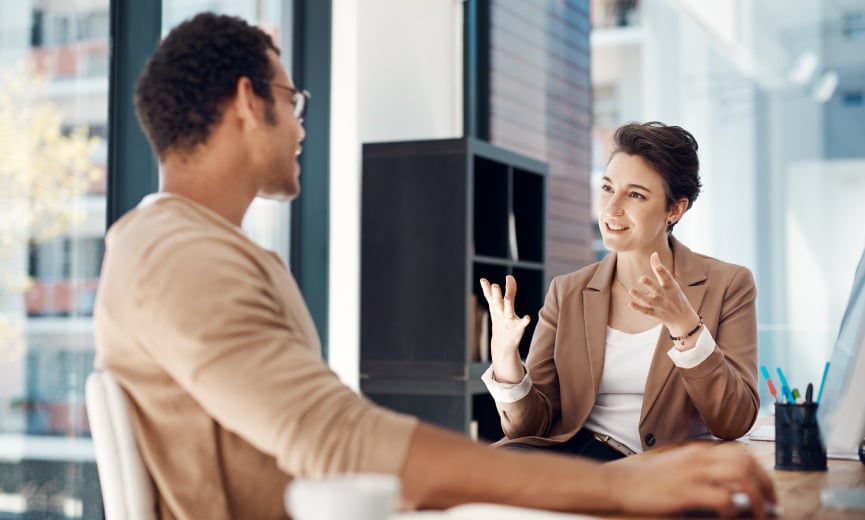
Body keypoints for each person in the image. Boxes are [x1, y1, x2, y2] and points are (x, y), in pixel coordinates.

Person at [93, 13, 776, 519]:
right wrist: (615, 488)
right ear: (248, 102)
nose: (302, 124)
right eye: (292, 100)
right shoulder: (177, 255)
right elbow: (336, 438)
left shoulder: (208, 250)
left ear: (673, 208)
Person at [480, 121, 760, 461]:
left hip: (658, 469)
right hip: (574, 457)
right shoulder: (567, 292)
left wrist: (686, 327)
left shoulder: (728, 285)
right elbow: (531, 428)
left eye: (636, 194)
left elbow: (735, 420)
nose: (612, 209)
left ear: (675, 209)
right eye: (607, 188)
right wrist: (506, 360)